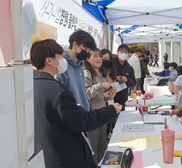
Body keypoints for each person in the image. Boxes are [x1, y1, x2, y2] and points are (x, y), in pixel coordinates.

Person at [29, 39, 122, 168]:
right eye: (60, 56)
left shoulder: (29, 85)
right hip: (65, 154)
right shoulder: (58, 90)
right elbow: (82, 120)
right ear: (49, 60)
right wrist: (111, 110)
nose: (63, 60)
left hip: (43, 152)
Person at [84, 48, 116, 165]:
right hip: (92, 115)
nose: (99, 59)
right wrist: (100, 86)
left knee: (102, 145)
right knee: (93, 146)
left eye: (100, 56)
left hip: (103, 112)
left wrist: (110, 95)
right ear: (88, 59)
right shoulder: (87, 73)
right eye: (95, 56)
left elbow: (103, 96)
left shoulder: (103, 74)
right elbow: (85, 94)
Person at [55, 29, 96, 111]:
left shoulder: (80, 67)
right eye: (86, 48)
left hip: (83, 114)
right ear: (75, 44)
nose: (87, 52)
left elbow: (82, 92)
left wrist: (86, 101)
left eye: (90, 51)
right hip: (71, 115)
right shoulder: (61, 65)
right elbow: (59, 96)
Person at [113, 44, 136, 111]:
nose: (123, 54)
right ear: (117, 52)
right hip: (110, 98)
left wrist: (127, 80)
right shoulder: (111, 64)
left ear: (128, 54)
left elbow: (133, 83)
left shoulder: (129, 68)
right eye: (121, 51)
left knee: (121, 118)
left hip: (122, 99)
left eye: (125, 52)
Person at [101, 48, 117, 140]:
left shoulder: (111, 72)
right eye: (105, 58)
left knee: (109, 122)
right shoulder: (95, 73)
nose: (107, 60)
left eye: (109, 59)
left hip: (110, 100)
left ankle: (108, 133)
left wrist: (113, 92)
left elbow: (114, 87)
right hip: (100, 103)